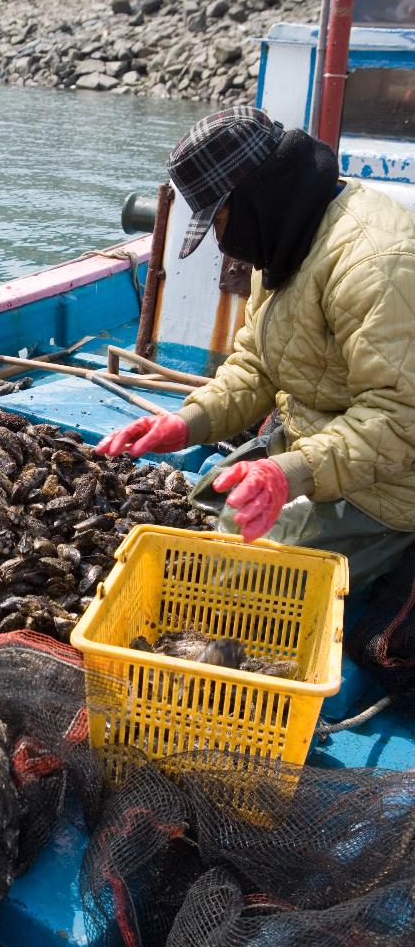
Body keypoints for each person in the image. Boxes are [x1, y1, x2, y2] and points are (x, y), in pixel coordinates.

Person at [97, 105, 415, 590]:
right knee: (208, 500)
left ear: (255, 197)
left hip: (387, 486)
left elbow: (400, 418)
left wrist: (289, 473)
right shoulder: (289, 230)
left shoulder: (374, 264)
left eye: (219, 220)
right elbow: (257, 364)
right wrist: (186, 423)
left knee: (224, 584)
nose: (222, 242)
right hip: (316, 439)